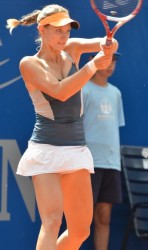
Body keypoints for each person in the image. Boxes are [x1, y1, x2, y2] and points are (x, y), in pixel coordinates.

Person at [6, 4, 118, 250]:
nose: (64, 35)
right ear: (41, 30)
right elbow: (61, 92)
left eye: (67, 30)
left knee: (79, 232)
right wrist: (92, 67)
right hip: (46, 150)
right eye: (57, 30)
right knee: (53, 220)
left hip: (75, 151)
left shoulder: (73, 49)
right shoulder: (30, 64)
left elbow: (107, 42)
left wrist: (109, 47)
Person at [82, 52, 125, 250]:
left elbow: (113, 128)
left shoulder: (115, 93)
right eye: (107, 60)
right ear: (94, 62)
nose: (110, 65)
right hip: (88, 162)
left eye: (114, 61)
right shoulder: (83, 89)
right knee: (82, 219)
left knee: (104, 215)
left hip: (111, 162)